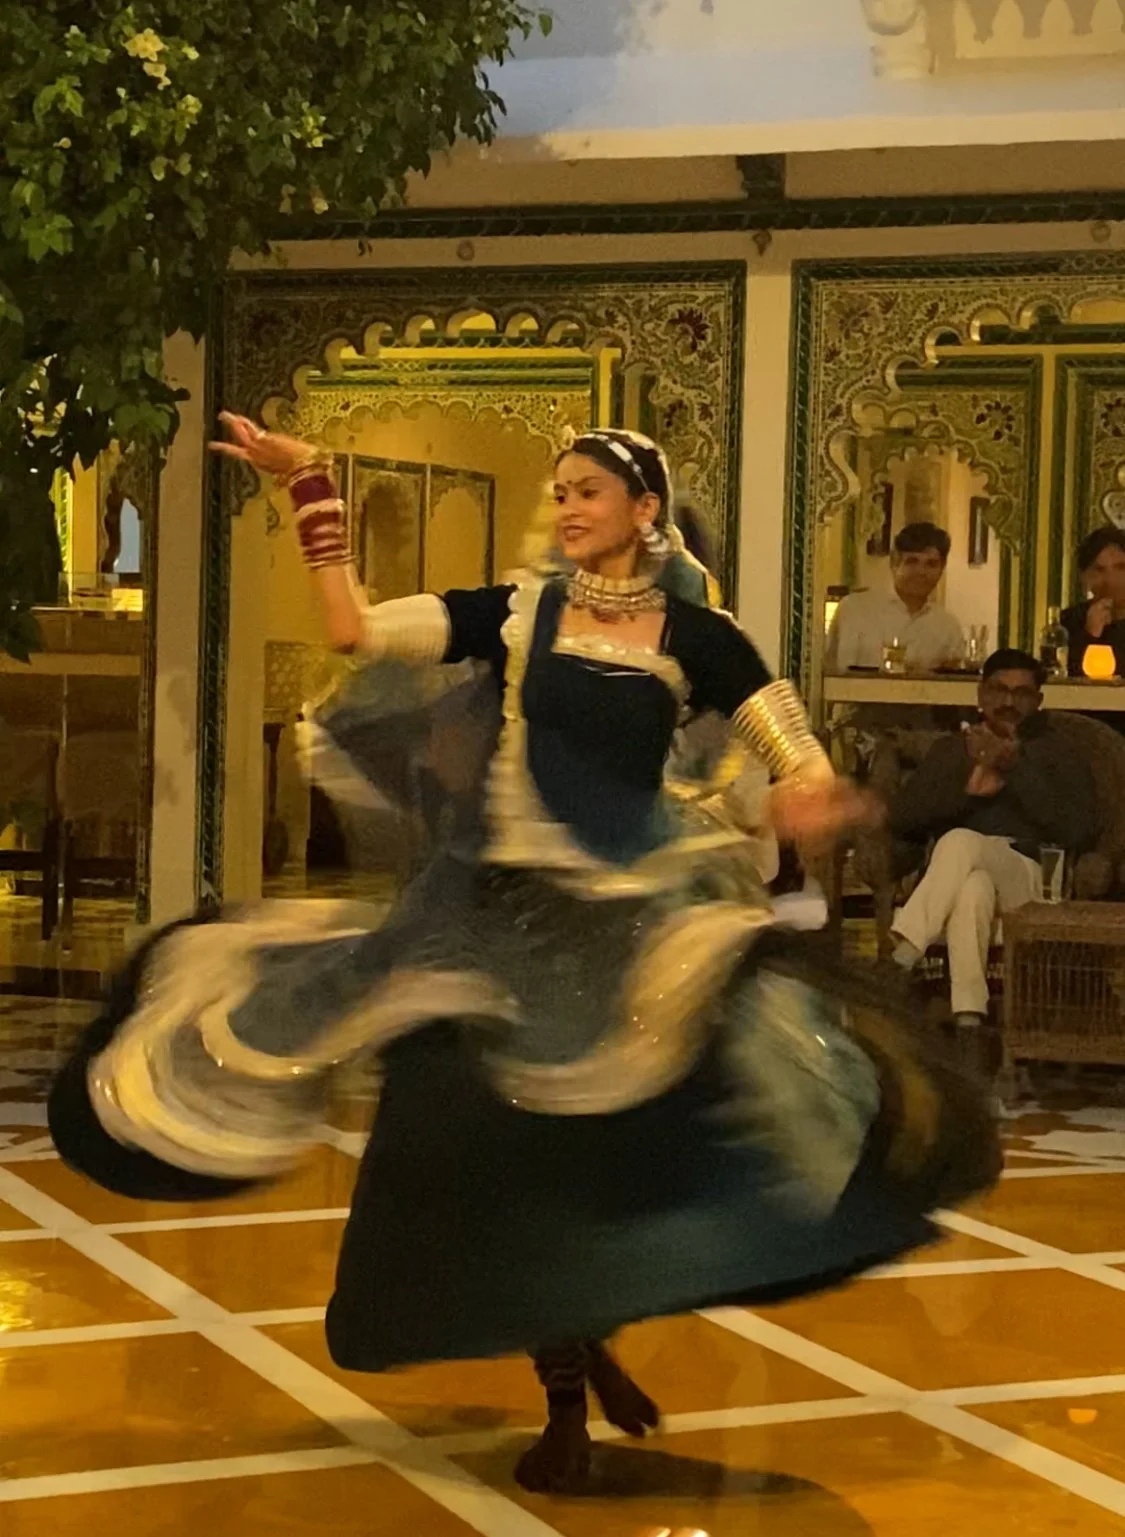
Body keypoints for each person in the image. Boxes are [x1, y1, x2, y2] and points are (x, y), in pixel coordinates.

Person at [49, 421, 1000, 1496]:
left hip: (634, 916)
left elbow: (786, 742)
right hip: (489, 915)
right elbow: (355, 631)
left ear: (648, 510)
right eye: (560, 491)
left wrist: (810, 789)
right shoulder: (513, 612)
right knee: (487, 1149)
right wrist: (309, 490)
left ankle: (607, 1313)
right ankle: (562, 1388)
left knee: (686, 1116)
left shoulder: (702, 633)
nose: (567, 507)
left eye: (589, 490)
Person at [889, 649, 1096, 1027]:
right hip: (959, 882)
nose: (1008, 702)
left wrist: (1015, 769)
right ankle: (969, 1017)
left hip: (1028, 878)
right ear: (981, 694)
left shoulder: (1058, 751)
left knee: (960, 842)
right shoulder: (952, 750)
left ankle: (905, 952)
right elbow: (903, 819)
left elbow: (1077, 828)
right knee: (973, 889)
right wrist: (964, 790)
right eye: (999, 690)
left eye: (1021, 694)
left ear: (1038, 701)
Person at [825, 521, 965, 674]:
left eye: (931, 564)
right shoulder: (855, 609)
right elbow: (829, 673)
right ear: (894, 563)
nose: (921, 572)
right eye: (912, 562)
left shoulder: (948, 628)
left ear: (942, 569)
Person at [1063, 525, 1125, 678]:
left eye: (1121, 568)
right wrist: (1090, 635)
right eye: (1099, 570)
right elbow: (1063, 680)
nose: (1111, 579)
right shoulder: (1068, 622)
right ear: (1085, 577)